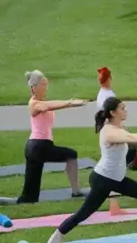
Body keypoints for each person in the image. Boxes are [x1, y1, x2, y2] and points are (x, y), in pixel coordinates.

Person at [44, 97, 137, 243]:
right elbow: (131, 137)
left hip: (115, 179)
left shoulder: (119, 129)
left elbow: (133, 139)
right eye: (122, 108)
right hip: (103, 180)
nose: (126, 110)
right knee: (84, 213)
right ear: (113, 112)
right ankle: (55, 237)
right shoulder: (109, 131)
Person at [18, 70, 87, 203]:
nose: (46, 87)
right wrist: (69, 103)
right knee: (71, 155)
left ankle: (25, 202)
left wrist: (68, 103)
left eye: (46, 84)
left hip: (36, 147)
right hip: (39, 146)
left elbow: (49, 105)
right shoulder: (34, 103)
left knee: (30, 195)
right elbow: (45, 107)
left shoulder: (41, 102)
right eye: (43, 84)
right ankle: (76, 191)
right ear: (34, 88)